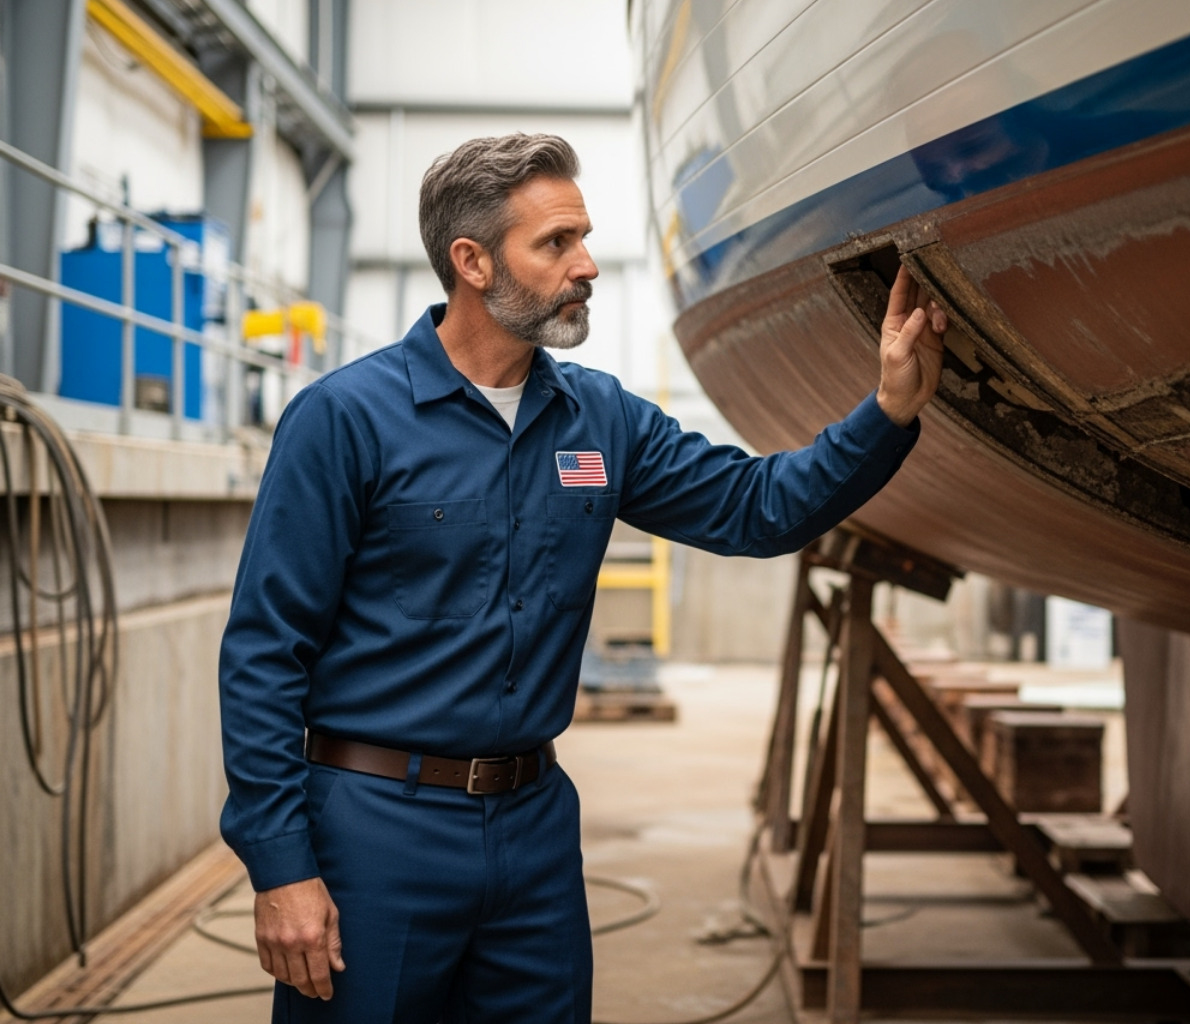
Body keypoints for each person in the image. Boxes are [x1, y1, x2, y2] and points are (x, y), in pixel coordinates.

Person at [218, 132, 948, 1023]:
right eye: (556, 243)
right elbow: (263, 653)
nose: (588, 265)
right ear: (472, 262)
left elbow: (758, 509)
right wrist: (282, 864)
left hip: (534, 835)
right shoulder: (343, 421)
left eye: (584, 238)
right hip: (376, 832)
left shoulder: (599, 420)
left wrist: (888, 411)